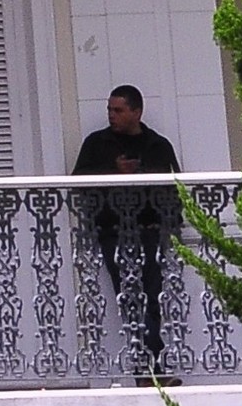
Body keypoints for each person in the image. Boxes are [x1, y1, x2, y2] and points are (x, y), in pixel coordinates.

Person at [73, 84, 181, 379]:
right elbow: (78, 182)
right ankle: (149, 369)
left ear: (137, 111)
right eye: (110, 109)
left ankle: (149, 369)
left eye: (118, 110)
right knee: (130, 299)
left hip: (150, 233)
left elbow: (174, 188)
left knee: (153, 298)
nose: (112, 115)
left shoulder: (158, 145)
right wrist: (113, 170)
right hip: (114, 233)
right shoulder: (97, 145)